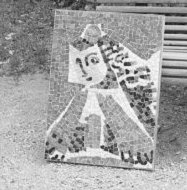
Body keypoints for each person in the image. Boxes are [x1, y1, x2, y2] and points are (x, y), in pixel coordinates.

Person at [45, 23, 158, 167]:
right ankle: (78, 147)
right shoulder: (82, 94)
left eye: (92, 61)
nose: (84, 71)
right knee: (74, 116)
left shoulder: (109, 53)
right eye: (79, 64)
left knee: (118, 116)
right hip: (93, 94)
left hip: (110, 96)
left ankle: (123, 151)